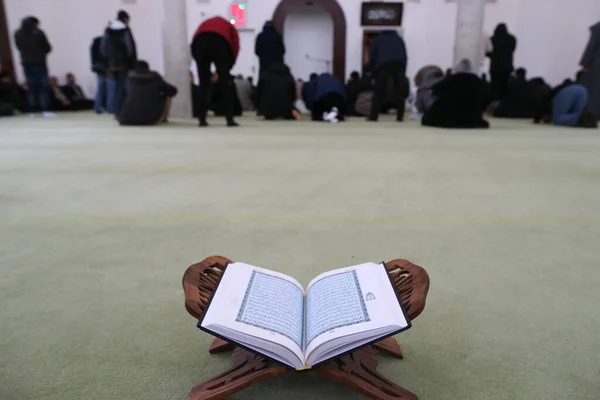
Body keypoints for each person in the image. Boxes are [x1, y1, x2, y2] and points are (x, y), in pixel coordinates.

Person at [191, 16, 240, 127]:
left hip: (200, 42)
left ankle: (202, 120)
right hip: (220, 42)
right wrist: (226, 69)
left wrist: (205, 71)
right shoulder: (229, 27)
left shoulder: (205, 24)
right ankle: (229, 120)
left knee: (203, 84)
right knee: (225, 84)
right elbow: (235, 46)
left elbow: (194, 43)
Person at [422, 59, 489, 129]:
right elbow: (488, 98)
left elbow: (434, 91)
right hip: (473, 119)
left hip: (451, 119)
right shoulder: (480, 82)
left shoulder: (449, 80)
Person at [14, 16, 54, 117]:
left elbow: (18, 47)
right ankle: (46, 110)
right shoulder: (39, 33)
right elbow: (47, 48)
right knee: (43, 87)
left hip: (26, 63)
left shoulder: (17, 33)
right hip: (40, 63)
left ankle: (32, 111)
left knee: (31, 88)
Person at [117, 60, 177, 126]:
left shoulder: (129, 78)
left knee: (125, 95)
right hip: (150, 119)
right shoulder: (155, 76)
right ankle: (164, 119)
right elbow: (173, 90)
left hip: (126, 119)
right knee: (167, 96)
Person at [367, 30, 408, 122]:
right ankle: (400, 117)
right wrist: (404, 71)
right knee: (400, 91)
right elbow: (405, 55)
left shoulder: (377, 39)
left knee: (378, 91)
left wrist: (373, 73)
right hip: (399, 64)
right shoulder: (399, 39)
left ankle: (374, 116)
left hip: (382, 64)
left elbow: (372, 56)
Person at [102, 10, 137, 116]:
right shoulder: (125, 30)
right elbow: (129, 48)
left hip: (112, 63)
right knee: (123, 87)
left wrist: (107, 62)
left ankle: (113, 109)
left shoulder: (108, 29)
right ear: (125, 19)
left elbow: (103, 47)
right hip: (124, 63)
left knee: (114, 86)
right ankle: (121, 110)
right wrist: (132, 62)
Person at [255, 20, 285, 106]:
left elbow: (256, 51)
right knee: (276, 85)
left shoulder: (260, 36)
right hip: (277, 66)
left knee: (263, 85)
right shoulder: (278, 36)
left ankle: (261, 105)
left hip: (264, 65)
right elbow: (283, 51)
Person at [486, 23, 517, 102]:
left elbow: (488, 53)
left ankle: (494, 103)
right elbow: (513, 49)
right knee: (505, 86)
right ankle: (503, 103)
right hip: (507, 68)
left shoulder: (492, 39)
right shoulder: (512, 39)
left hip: (495, 68)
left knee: (495, 87)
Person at [580, 21, 600, 120]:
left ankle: (592, 114)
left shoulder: (598, 28)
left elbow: (591, 46)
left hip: (597, 63)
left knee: (594, 90)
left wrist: (585, 62)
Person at [91, 35, 109, 113]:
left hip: (98, 68)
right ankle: (109, 107)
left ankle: (98, 106)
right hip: (106, 68)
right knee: (109, 88)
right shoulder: (107, 42)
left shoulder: (95, 43)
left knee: (100, 88)